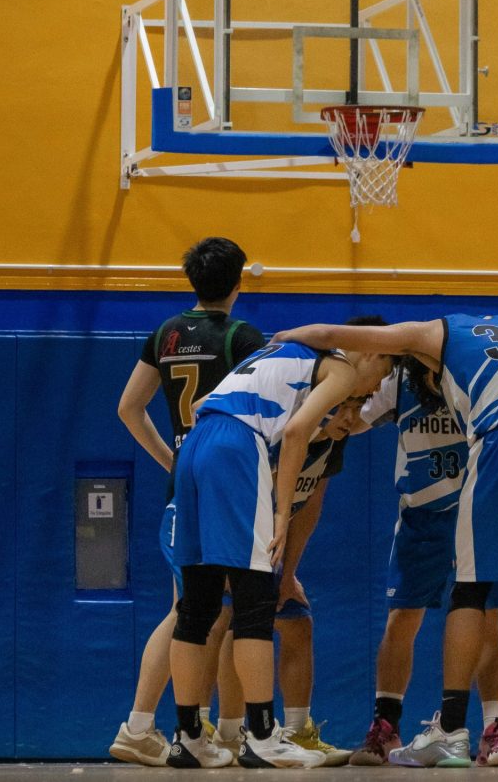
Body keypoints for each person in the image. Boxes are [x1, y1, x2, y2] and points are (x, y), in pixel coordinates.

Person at [273, 314, 498, 767]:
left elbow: (336, 335)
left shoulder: (443, 340)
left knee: (479, 602)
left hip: (494, 470)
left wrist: (288, 335)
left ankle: (470, 728)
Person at [165, 329, 395, 768]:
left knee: (197, 605)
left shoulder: (282, 352)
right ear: (370, 352)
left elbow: (199, 406)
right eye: (381, 374)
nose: (372, 392)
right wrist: (283, 516)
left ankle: (188, 737)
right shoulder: (341, 369)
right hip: (237, 447)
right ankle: (263, 737)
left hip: (195, 445)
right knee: (255, 601)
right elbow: (294, 434)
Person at [109, 237, 264, 767]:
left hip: (187, 481)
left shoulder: (166, 333)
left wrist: (170, 459)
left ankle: (211, 729)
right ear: (239, 282)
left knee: (201, 613)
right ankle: (142, 725)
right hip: (222, 484)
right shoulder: (243, 338)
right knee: (190, 614)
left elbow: (130, 407)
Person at [348, 355, 498, 767]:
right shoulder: (398, 381)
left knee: (492, 620)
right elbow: (355, 422)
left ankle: (494, 728)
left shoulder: (472, 376)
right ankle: (386, 725)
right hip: (421, 517)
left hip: (477, 512)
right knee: (402, 618)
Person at [212, 397, 366, 767]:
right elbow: (241, 494)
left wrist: (288, 573)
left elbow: (310, 505)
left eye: (357, 407)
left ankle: (297, 730)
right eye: (341, 407)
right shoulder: (277, 435)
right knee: (238, 624)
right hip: (237, 528)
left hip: (274, 541)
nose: (350, 418)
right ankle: (228, 733)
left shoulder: (334, 439)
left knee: (296, 623)